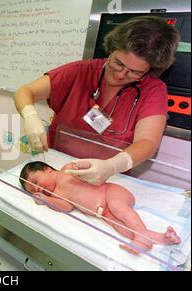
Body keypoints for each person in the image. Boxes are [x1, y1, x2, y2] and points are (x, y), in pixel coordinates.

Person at [14, 16, 181, 186]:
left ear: (151, 69)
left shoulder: (153, 90)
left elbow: (147, 142)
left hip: (106, 177)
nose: (121, 74)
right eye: (118, 63)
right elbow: (25, 92)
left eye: (134, 72)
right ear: (111, 49)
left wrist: (111, 166)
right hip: (58, 163)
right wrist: (30, 116)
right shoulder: (81, 72)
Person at [19, 161, 181, 254]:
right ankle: (162, 238)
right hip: (103, 212)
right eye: (33, 190)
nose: (37, 189)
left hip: (111, 193)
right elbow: (66, 207)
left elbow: (84, 166)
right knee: (121, 228)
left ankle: (143, 239)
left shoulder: (65, 172)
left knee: (119, 207)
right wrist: (46, 200)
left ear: (48, 169)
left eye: (36, 182)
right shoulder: (56, 195)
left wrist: (79, 165)